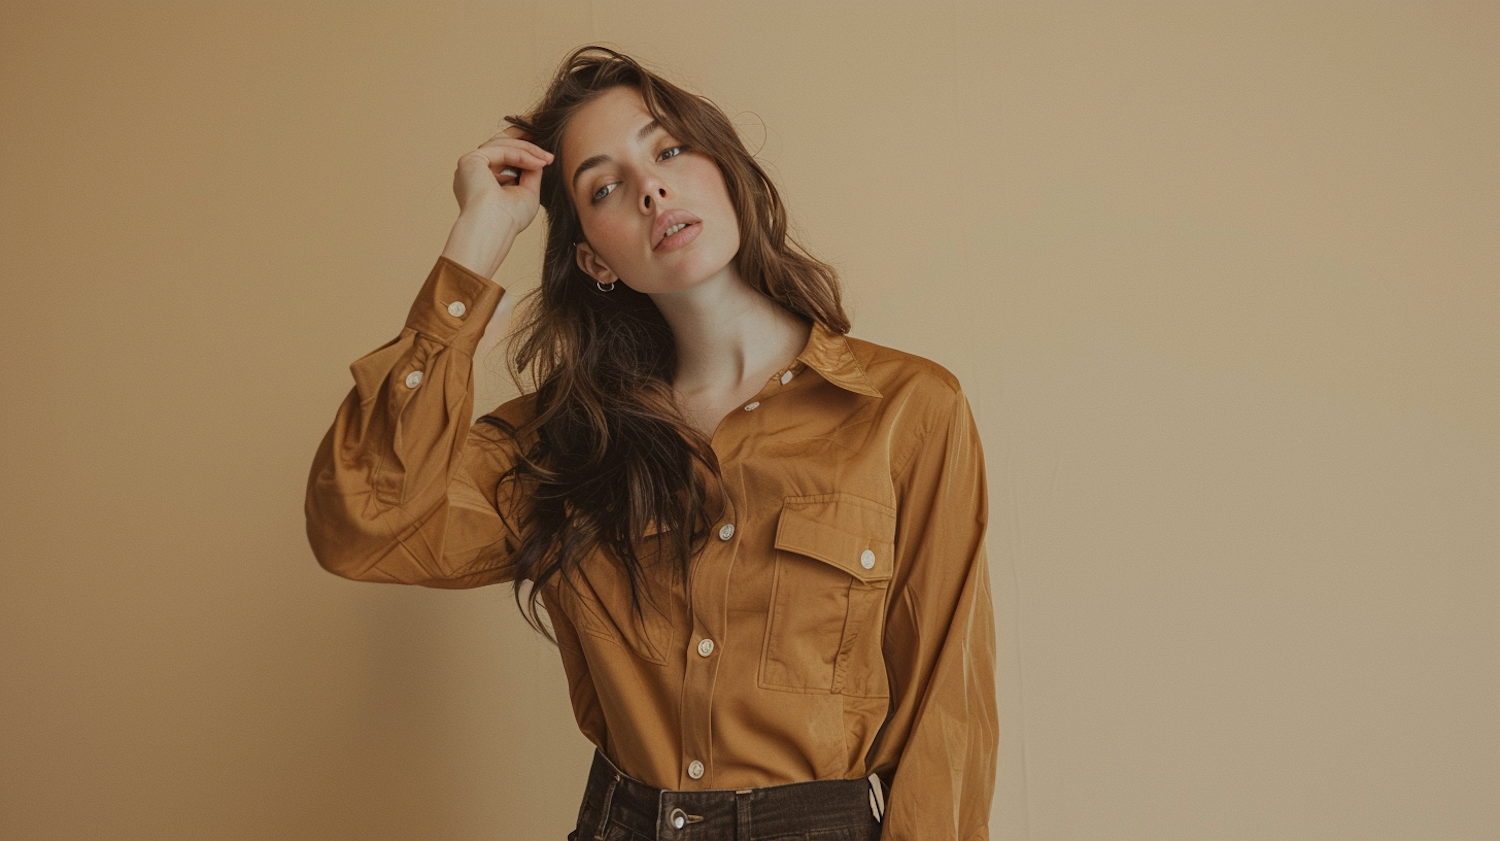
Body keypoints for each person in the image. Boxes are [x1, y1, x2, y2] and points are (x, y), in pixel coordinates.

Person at [304, 44, 997, 841]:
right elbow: (360, 525)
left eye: (668, 149)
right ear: (595, 257)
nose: (651, 188)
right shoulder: (563, 441)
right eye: (605, 186)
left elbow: (949, 717)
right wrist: (476, 242)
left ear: (727, 170)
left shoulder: (907, 411)